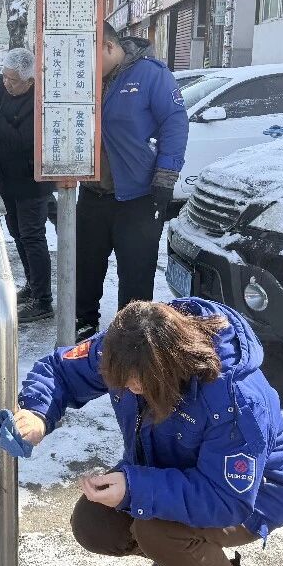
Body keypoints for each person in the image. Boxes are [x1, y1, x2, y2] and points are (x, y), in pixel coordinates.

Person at [8, 298, 283, 566]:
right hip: (173, 470)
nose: (132, 388)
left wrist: (135, 488)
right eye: (124, 381)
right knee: (95, 523)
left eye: (140, 382)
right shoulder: (128, 345)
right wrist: (37, 412)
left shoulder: (234, 398)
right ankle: (179, 562)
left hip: (255, 494)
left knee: (156, 529)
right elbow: (62, 369)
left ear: (171, 363)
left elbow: (226, 500)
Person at [75, 25, 188, 341]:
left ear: (109, 47)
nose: (86, 66)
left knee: (136, 274)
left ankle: (132, 339)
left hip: (139, 195)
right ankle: (83, 324)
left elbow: (175, 123)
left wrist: (166, 176)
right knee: (85, 268)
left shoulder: (151, 74)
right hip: (93, 193)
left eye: (91, 57)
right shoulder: (87, 78)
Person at [0, 48, 54, 324]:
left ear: (30, 81)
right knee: (17, 233)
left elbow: (22, 141)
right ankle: (32, 285)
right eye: (4, 77)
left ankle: (43, 300)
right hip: (7, 175)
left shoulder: (40, 100)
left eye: (13, 80)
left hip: (32, 179)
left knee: (33, 236)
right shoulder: (1, 86)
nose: (7, 84)